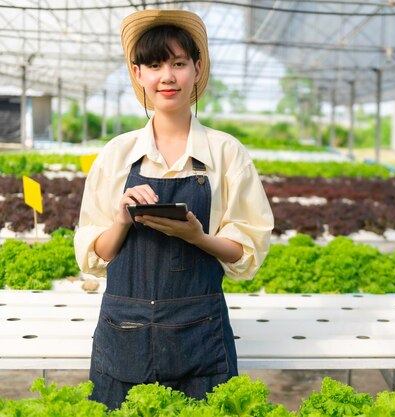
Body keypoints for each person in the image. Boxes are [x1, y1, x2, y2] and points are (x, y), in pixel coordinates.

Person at [74, 9, 274, 410]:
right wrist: (121, 219)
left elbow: (247, 251)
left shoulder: (225, 152)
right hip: (124, 329)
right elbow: (99, 254)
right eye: (154, 64)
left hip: (199, 332)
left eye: (179, 63)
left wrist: (197, 237)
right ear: (137, 73)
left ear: (197, 70)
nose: (167, 76)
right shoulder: (117, 155)